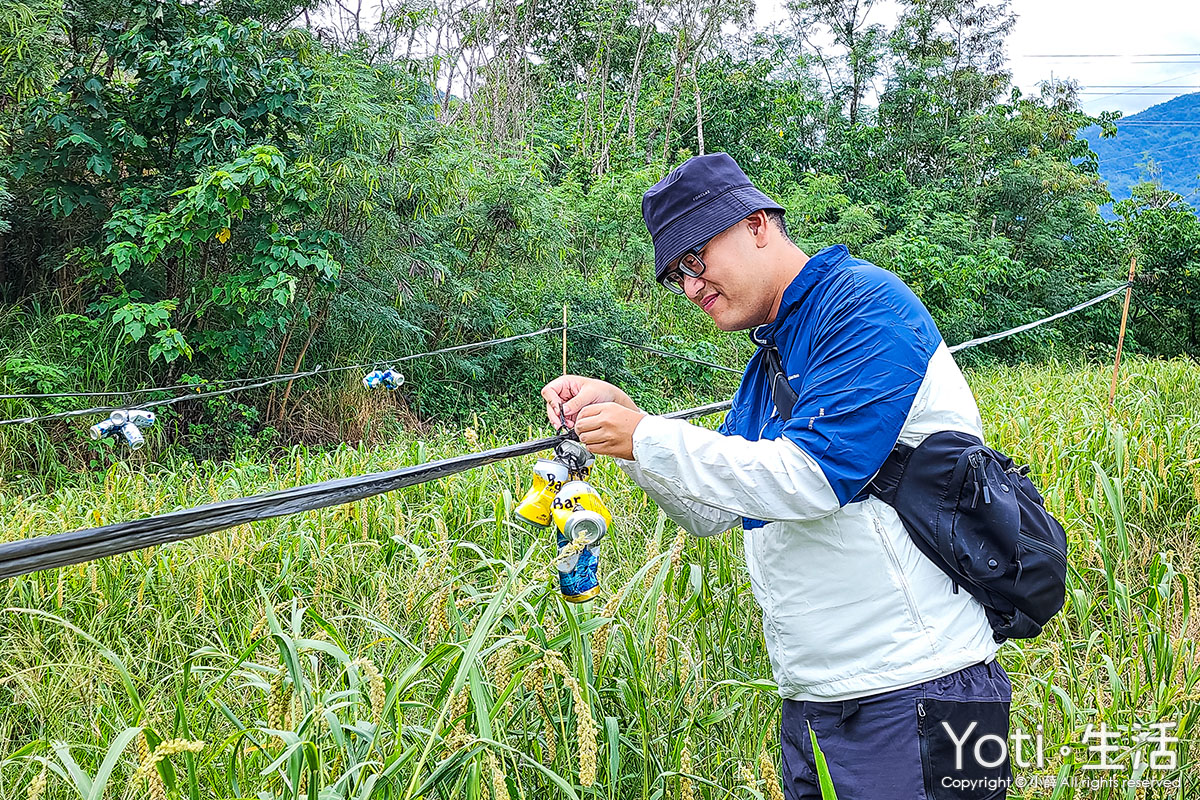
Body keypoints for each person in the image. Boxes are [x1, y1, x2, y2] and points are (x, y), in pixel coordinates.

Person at [541, 153, 1013, 799]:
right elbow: (715, 511)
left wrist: (647, 436)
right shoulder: (775, 352)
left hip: (927, 688)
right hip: (821, 698)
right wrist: (628, 435)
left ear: (757, 224)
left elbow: (815, 479)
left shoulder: (865, 305)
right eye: (675, 275)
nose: (689, 287)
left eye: (696, 260)